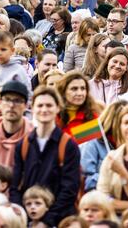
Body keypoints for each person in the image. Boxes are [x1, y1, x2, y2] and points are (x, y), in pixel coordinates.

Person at [11, 86, 80, 226]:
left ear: (57, 108)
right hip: (28, 218)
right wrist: (24, 217)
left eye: (49, 105)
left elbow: (69, 189)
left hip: (58, 219)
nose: (44, 109)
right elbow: (15, 187)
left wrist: (47, 221)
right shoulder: (23, 145)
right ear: (33, 108)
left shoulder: (68, 145)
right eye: (40, 105)